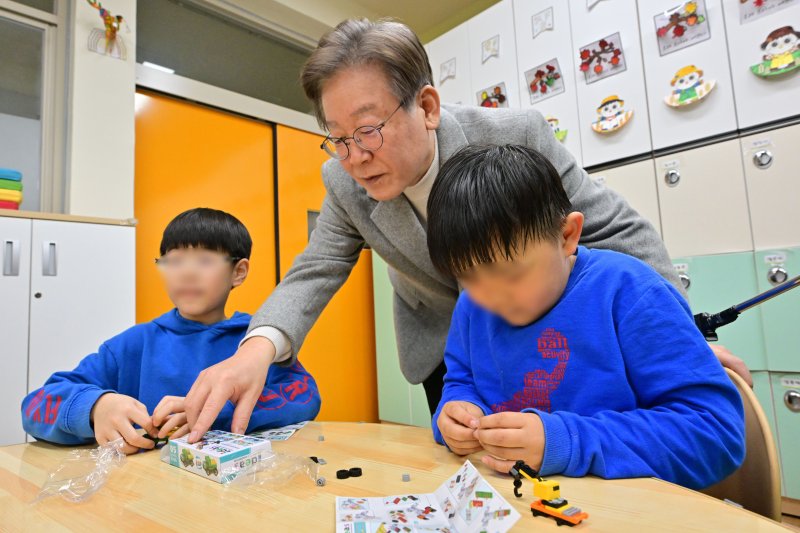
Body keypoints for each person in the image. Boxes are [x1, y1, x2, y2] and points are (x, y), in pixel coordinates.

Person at [182, 18, 751, 444]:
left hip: (545, 332)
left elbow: (617, 228)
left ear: (426, 105)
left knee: (575, 447)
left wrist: (686, 337)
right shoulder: (344, 180)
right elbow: (316, 269)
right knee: (471, 458)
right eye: (337, 137)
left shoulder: (513, 136)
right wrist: (256, 350)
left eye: (368, 129)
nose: (353, 156)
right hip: (452, 359)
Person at [427, 144, 744, 489]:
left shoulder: (630, 293)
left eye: (512, 275)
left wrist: (566, 441)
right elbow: (462, 381)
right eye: (468, 278)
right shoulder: (472, 307)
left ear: (567, 235)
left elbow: (715, 433)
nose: (490, 298)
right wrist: (457, 412)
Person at [21, 208, 320, 454]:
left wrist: (217, 412)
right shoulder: (133, 345)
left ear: (238, 272)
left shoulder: (256, 343)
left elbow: (305, 396)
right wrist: (94, 408)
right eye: (174, 261)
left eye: (204, 260)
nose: (186, 272)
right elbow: (34, 406)